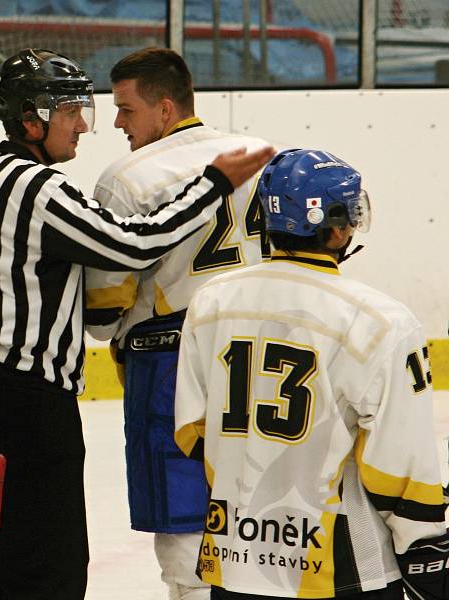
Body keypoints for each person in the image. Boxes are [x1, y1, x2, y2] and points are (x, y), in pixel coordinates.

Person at [0, 47, 274, 600]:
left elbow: (100, 302)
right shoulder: (37, 188)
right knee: (48, 566)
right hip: (22, 403)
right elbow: (134, 244)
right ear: (32, 118)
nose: (85, 128)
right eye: (70, 113)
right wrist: (211, 183)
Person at [174, 148, 447, 599]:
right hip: (341, 572)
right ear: (337, 227)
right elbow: (399, 465)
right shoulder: (381, 320)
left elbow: (193, 428)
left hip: (233, 561)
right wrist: (426, 547)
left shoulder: (211, 302)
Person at [84, 47, 270, 600]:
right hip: (261, 355)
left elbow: (102, 311)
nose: (117, 123)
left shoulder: (126, 178)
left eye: (126, 109)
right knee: (265, 520)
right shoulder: (256, 154)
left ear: (165, 109)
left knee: (185, 530)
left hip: (169, 363)